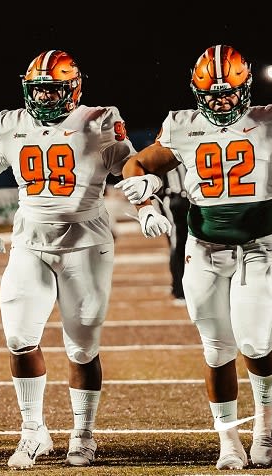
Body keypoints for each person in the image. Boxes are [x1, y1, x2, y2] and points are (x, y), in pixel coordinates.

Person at [0, 49, 142, 469]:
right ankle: (33, 431)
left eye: (52, 90)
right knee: (19, 337)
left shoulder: (99, 119)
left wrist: (143, 196)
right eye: (37, 91)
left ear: (74, 89)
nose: (43, 99)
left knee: (81, 347)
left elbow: (129, 164)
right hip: (29, 241)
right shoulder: (12, 124)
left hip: (86, 242)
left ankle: (83, 434)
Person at [115, 44, 272, 470]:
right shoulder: (182, 125)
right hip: (203, 247)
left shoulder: (267, 120)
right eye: (212, 94)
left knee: (257, 341)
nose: (221, 102)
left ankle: (265, 429)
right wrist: (146, 203)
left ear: (245, 88)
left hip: (259, 246)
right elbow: (135, 164)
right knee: (216, 349)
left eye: (228, 92)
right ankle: (229, 442)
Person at [157, 166, 190, 306]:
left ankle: (181, 288)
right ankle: (179, 289)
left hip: (181, 199)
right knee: (177, 246)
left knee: (183, 245)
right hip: (175, 199)